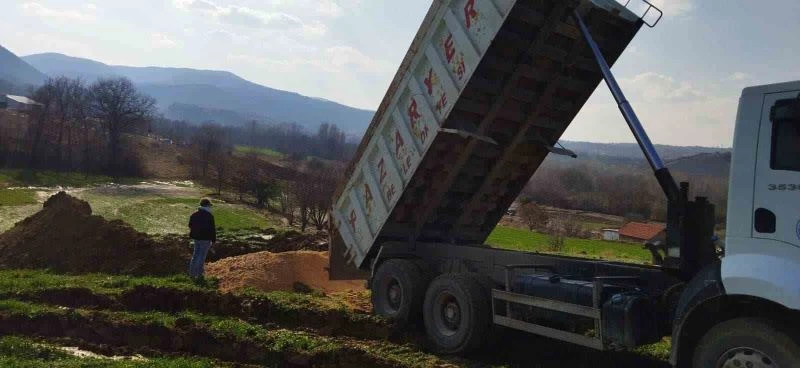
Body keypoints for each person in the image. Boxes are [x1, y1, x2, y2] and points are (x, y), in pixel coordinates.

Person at [188, 198, 216, 279]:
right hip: (206, 239)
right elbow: (212, 229)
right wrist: (213, 240)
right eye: (209, 206)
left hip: (196, 238)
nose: (210, 207)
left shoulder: (194, 214)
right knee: (202, 256)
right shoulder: (209, 216)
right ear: (207, 206)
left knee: (195, 255)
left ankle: (192, 274)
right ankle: (199, 274)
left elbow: (190, 225)